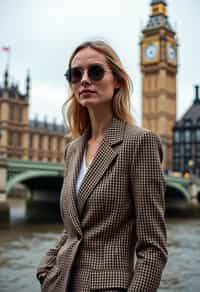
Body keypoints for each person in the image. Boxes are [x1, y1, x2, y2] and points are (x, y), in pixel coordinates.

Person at [36, 40, 168, 292]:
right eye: (75, 74)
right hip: (58, 284)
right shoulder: (73, 149)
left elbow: (153, 248)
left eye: (95, 71)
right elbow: (73, 227)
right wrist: (47, 265)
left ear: (117, 80)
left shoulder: (140, 142)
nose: (84, 79)